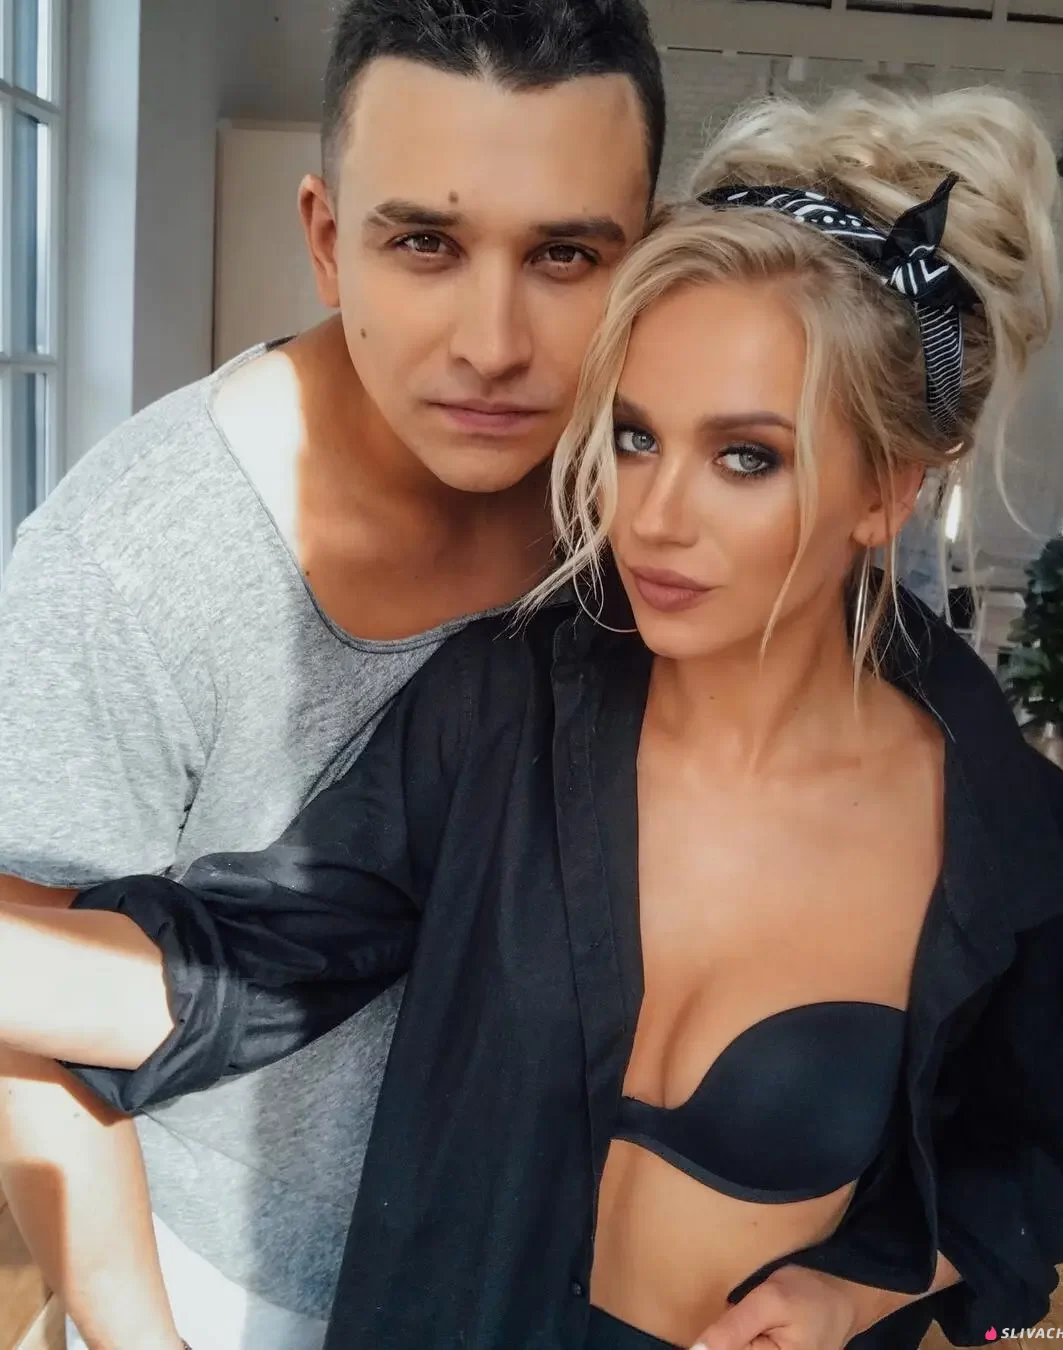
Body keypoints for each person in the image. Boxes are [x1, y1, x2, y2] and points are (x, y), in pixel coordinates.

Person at [3, 86, 1063, 1350]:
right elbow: (245, 966)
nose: (654, 518)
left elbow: (1039, 1145)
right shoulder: (501, 714)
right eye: (633, 437)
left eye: (746, 457)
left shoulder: (1010, 845)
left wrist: (864, 1287)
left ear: (887, 489)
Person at [0, 2, 662, 1347]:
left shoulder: (666, 510)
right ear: (325, 238)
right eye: (425, 242)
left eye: (565, 253)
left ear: (647, 256)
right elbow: (30, 1014)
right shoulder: (132, 557)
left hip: (575, 1272)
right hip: (232, 1289)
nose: (492, 341)